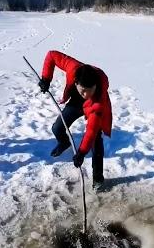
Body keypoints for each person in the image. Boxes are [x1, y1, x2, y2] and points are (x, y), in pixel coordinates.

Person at [38, 50, 112, 191]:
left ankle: (98, 179)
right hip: (75, 104)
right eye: (83, 90)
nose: (86, 94)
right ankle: (64, 142)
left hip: (94, 107)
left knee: (96, 142)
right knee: (57, 128)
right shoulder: (73, 67)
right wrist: (46, 79)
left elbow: (91, 130)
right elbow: (52, 55)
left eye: (90, 90)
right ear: (76, 82)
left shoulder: (98, 101)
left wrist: (81, 152)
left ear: (95, 86)